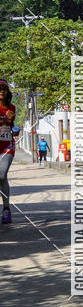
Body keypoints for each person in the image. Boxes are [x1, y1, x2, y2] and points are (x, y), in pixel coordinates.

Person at [0, 79, 16, 224]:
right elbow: (5, 121)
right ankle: (6, 208)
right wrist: (5, 120)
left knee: (1, 174)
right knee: (2, 178)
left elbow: (11, 126)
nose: (2, 91)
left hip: (7, 146)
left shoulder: (12, 107)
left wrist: (15, 130)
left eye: (4, 89)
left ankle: (5, 209)